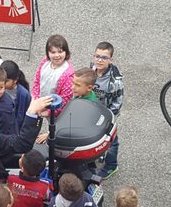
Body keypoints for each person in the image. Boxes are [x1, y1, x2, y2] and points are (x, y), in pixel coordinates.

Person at [36, 67, 98, 144]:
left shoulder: (85, 106)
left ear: (89, 88)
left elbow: (70, 125)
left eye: (77, 85)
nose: (72, 87)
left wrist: (50, 134)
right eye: (73, 83)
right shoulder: (83, 94)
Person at [90, 42, 123, 179]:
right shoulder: (92, 69)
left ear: (110, 60)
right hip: (92, 111)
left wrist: (109, 118)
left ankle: (111, 165)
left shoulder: (115, 81)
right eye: (97, 56)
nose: (99, 60)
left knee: (111, 140)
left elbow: (118, 102)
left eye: (104, 57)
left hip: (107, 114)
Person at [31, 34, 75, 118]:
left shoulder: (68, 74)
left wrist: (48, 113)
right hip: (41, 102)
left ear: (66, 52)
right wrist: (35, 99)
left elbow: (64, 100)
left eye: (60, 51)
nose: (57, 55)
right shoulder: (45, 62)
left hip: (56, 110)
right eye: (53, 52)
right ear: (48, 53)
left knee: (55, 128)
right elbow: (37, 81)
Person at [0, 60, 31, 130]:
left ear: (15, 80)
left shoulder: (23, 94)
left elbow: (22, 116)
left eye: (6, 81)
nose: (2, 83)